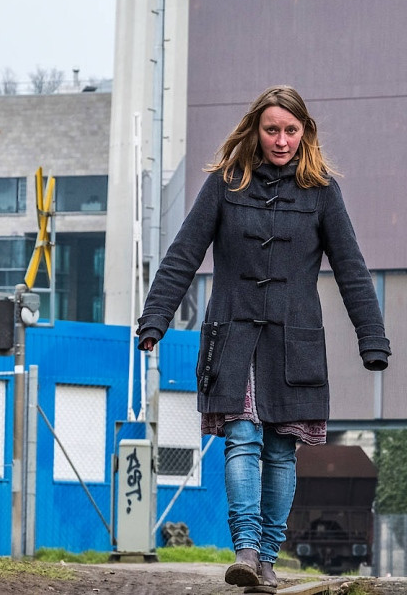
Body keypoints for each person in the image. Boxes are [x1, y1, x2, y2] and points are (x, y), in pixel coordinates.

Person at [136, 85, 390, 592]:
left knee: (279, 449)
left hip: (294, 342)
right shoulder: (225, 185)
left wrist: (373, 340)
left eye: (291, 130)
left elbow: (352, 269)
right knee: (243, 437)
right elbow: (183, 254)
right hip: (233, 336)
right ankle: (247, 552)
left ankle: (268, 557)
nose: (281, 140)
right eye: (272, 129)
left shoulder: (322, 192)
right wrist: (154, 319)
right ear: (256, 129)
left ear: (305, 132)